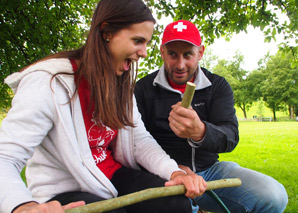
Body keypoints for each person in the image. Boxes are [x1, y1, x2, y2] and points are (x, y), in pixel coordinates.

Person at [0, 4, 208, 213]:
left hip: (111, 174)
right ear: (107, 32)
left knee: (175, 204)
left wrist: (175, 173)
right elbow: (6, 156)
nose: (144, 53)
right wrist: (22, 206)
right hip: (66, 189)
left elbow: (139, 140)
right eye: (137, 41)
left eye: (146, 43)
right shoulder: (48, 82)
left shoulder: (122, 84)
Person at [134, 20, 288, 213]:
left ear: (200, 52)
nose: (180, 64)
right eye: (173, 54)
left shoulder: (217, 85)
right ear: (162, 51)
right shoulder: (142, 89)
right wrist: (172, 169)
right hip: (163, 176)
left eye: (188, 54)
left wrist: (201, 131)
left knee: (274, 196)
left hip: (210, 172)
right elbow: (135, 143)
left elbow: (230, 137)